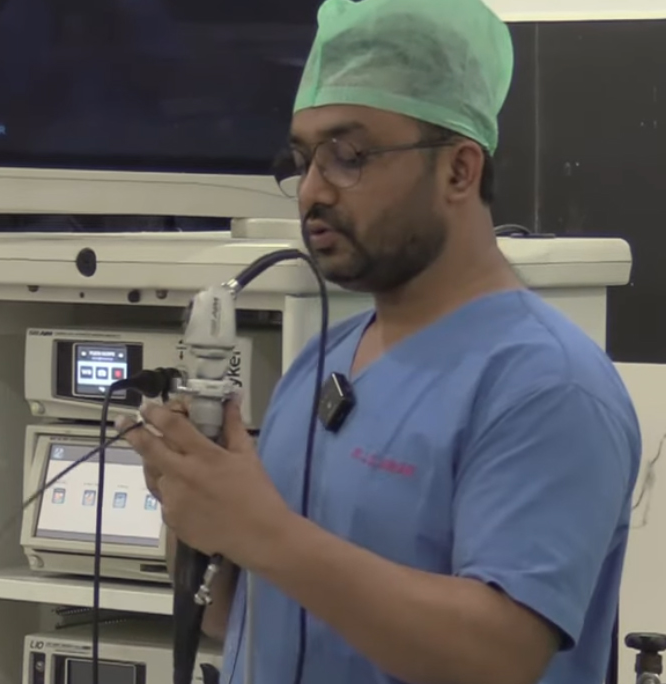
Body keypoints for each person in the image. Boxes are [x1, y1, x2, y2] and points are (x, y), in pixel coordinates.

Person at [119, 1, 642, 683]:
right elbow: (236, 616)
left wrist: (261, 530)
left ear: (459, 171)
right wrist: (193, 506)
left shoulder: (546, 386)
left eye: (348, 157)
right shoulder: (321, 361)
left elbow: (500, 655)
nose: (312, 191)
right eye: (302, 159)